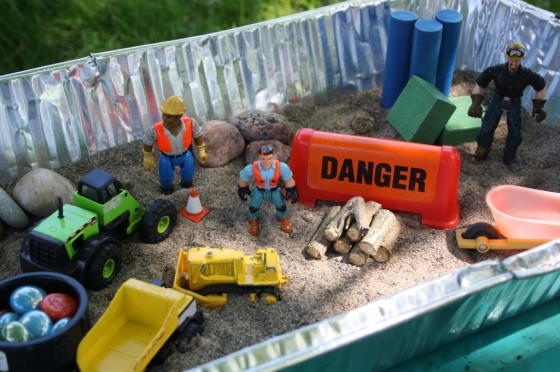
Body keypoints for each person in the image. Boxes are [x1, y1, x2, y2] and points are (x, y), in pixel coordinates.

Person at [468, 41, 547, 172]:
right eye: (512, 60)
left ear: (521, 60)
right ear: (507, 58)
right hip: (497, 98)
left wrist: (538, 106)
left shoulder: (527, 75)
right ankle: (481, 153)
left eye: (517, 61)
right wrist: (476, 103)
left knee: (516, 133)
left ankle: (509, 157)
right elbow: (480, 83)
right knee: (487, 127)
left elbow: (541, 85)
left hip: (515, 101)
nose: (514, 64)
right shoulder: (496, 70)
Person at [142, 95, 208, 194]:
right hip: (167, 158)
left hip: (185, 155)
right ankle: (167, 189)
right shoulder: (155, 129)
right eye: (163, 115)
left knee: (188, 173)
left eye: (169, 117)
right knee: (166, 177)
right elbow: (148, 141)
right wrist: (148, 156)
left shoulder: (190, 123)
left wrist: (201, 149)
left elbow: (197, 135)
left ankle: (186, 185)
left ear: (179, 116)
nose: (164, 118)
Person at [238, 145, 299, 236]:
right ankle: (253, 220)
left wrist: (292, 190)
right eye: (263, 159)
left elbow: (289, 180)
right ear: (260, 157)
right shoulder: (253, 168)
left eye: (269, 158)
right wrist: (243, 188)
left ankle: (283, 219)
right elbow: (243, 178)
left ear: (272, 157)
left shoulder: (281, 167)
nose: (267, 161)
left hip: (274, 190)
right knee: (253, 206)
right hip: (259, 191)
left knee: (281, 205)